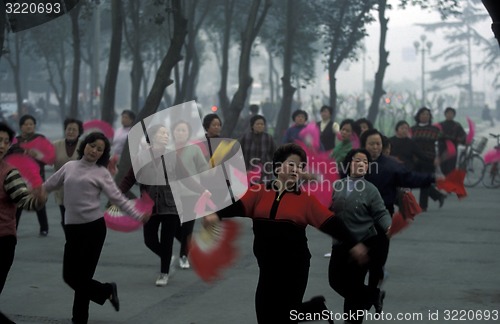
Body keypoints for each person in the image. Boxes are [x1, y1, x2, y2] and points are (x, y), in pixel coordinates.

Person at [204, 143, 366, 323]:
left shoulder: (305, 200)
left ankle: (313, 309)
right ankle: (315, 308)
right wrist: (215, 214)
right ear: (278, 166)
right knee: (265, 317)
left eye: (300, 167)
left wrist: (354, 244)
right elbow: (236, 205)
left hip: (294, 269)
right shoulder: (259, 192)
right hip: (266, 269)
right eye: (292, 164)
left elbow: (332, 223)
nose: (296, 169)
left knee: (286, 318)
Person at [42, 132, 150, 324]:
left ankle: (79, 319)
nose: (94, 151)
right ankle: (107, 291)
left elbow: (118, 198)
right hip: (73, 230)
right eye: (92, 145)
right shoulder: (69, 167)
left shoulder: (101, 173)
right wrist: (32, 193)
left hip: (93, 229)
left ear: (103, 154)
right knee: (70, 276)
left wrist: (138, 215)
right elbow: (48, 185)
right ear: (85, 145)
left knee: (82, 278)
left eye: (99, 149)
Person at [119, 124, 207, 285]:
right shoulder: (141, 158)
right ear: (152, 137)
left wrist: (202, 190)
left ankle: (164, 273)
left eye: (167, 133)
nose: (166, 136)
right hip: (149, 207)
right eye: (162, 133)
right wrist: (116, 194)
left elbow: (186, 178)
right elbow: (128, 179)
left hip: (171, 204)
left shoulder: (172, 156)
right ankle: (167, 257)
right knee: (149, 240)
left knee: (167, 240)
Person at [360, 128, 442, 300]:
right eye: (371, 144)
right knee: (359, 259)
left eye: (378, 144)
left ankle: (373, 291)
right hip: (358, 217)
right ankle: (363, 295)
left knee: (378, 259)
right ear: (364, 145)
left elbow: (411, 178)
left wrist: (433, 179)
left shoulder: (391, 166)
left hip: (383, 217)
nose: (375, 147)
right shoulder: (354, 164)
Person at [328, 148, 392, 324]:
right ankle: (373, 295)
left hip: (363, 243)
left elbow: (381, 212)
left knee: (354, 283)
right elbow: (327, 208)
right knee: (335, 281)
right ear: (349, 164)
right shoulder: (337, 185)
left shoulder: (371, 190)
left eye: (365, 162)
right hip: (340, 243)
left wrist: (388, 226)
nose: (361, 164)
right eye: (357, 160)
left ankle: (353, 321)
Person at [0, 122, 46, 324]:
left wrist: (37, 200)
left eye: (5, 141)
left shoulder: (9, 173)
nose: (1, 145)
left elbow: (24, 200)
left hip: (3, 240)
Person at [171, 120, 210, 270]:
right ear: (173, 132)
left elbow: (204, 168)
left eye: (184, 130)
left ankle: (184, 256)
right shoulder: (167, 150)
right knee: (173, 226)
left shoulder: (194, 149)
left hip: (191, 193)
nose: (180, 133)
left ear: (188, 134)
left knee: (187, 227)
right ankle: (188, 246)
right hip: (171, 194)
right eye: (178, 130)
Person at [10, 114, 49, 236]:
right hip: (21, 178)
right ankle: (13, 229)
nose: (29, 126)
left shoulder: (40, 139)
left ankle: (44, 228)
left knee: (39, 202)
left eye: (31, 124)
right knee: (18, 204)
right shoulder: (15, 142)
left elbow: (47, 156)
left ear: (34, 126)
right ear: (21, 127)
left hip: (37, 177)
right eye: (26, 124)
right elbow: (10, 156)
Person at [52, 118, 84, 235]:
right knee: (65, 218)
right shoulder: (55, 145)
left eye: (74, 129)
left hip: (80, 189)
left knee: (79, 219)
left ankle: (78, 241)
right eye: (68, 129)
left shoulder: (85, 145)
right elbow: (45, 158)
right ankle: (70, 240)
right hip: (62, 188)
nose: (70, 131)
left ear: (79, 132)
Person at [411, 107, 447, 211]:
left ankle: (423, 206)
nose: (425, 116)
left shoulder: (435, 130)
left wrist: (439, 158)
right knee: (414, 180)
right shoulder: (413, 129)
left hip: (429, 159)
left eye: (427, 114)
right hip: (415, 159)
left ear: (430, 117)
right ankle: (438, 195)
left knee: (424, 182)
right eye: (423, 114)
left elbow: (444, 144)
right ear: (418, 116)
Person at [239, 114, 277, 183]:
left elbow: (274, 153)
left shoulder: (268, 138)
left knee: (263, 190)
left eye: (262, 124)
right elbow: (239, 153)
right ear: (252, 125)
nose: (260, 126)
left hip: (265, 171)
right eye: (257, 124)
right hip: (248, 169)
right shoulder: (245, 137)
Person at [439, 107, 466, 175]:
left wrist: (459, 140)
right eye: (448, 113)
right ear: (445, 114)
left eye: (451, 113)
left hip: (452, 149)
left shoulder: (457, 125)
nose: (450, 115)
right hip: (442, 148)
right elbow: (437, 135)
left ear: (454, 115)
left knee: (451, 167)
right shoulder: (440, 125)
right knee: (443, 167)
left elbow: (463, 135)